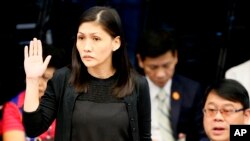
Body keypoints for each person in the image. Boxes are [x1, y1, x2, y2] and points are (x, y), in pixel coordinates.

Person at [22, 6, 151, 141]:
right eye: (81, 38)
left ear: (116, 43)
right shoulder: (63, 79)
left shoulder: (137, 84)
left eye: (96, 39)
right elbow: (33, 129)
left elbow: (144, 137)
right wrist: (32, 80)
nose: (86, 47)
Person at [136, 27, 208, 141]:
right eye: (153, 67)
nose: (160, 74)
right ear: (140, 61)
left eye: (166, 66)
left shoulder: (191, 90)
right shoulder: (126, 91)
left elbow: (204, 134)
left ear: (175, 57)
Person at [2, 44, 65, 141]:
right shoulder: (13, 107)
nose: (38, 83)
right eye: (34, 76)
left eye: (46, 78)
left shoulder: (67, 102)